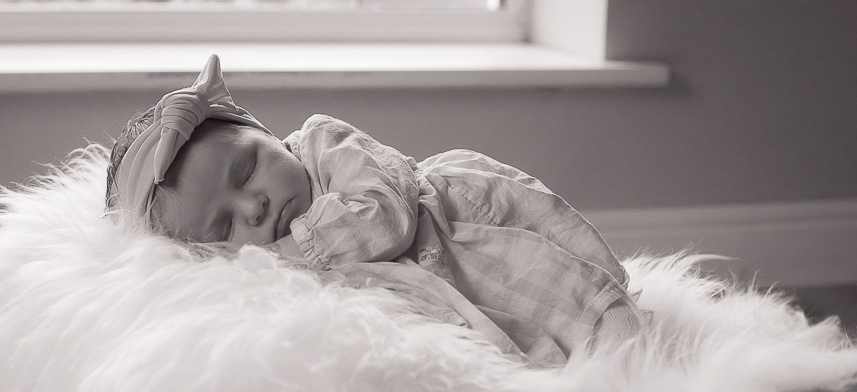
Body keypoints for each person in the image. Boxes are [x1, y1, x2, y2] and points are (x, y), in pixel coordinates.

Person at [106, 54, 644, 365]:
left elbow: (385, 216)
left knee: (582, 314)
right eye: (225, 226)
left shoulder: (322, 145)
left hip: (461, 236)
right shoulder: (264, 286)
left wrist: (284, 254)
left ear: (265, 135)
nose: (254, 205)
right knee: (508, 371)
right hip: (430, 303)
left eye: (247, 170)